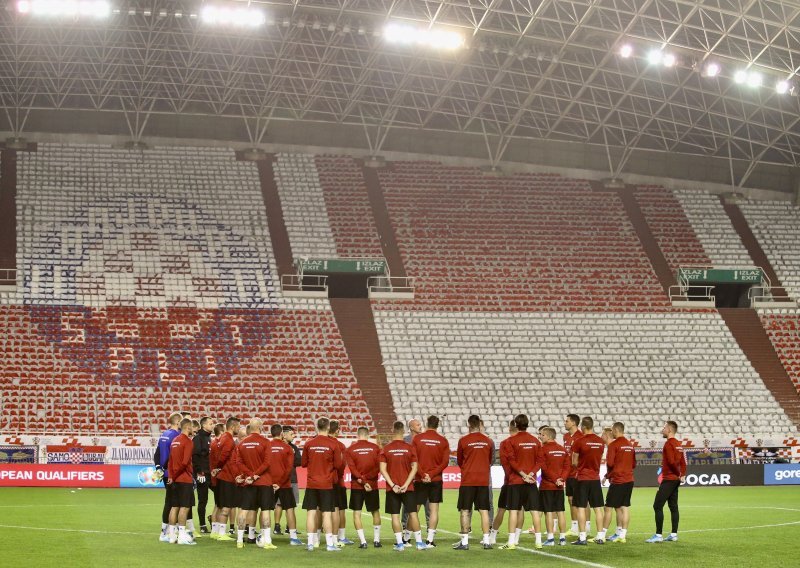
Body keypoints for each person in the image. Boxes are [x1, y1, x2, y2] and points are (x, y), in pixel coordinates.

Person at [380, 420, 428, 551]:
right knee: (413, 514)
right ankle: (419, 543)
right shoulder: (410, 448)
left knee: (395, 516)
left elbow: (382, 469)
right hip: (409, 488)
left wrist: (393, 485)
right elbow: (415, 467)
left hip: (392, 488)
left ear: (392, 430)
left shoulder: (386, 448)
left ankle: (400, 544)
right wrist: (406, 484)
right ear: (404, 431)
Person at [499, 413, 542, 550]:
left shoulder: (511, 441)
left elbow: (511, 461)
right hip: (531, 482)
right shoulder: (535, 440)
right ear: (527, 424)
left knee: (513, 511)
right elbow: (540, 461)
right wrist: (531, 474)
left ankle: (511, 542)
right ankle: (538, 542)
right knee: (535, 511)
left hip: (515, 481)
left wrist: (523, 474)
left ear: (516, 425)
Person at [232, 418, 276, 549]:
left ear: (250, 427)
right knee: (266, 511)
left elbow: (239, 463)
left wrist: (249, 475)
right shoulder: (266, 442)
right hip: (264, 481)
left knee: (244, 510)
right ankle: (267, 541)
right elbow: (267, 463)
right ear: (261, 427)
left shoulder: (242, 443)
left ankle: (239, 540)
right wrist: (255, 475)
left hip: (249, 483)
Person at [302, 417, 344, 552]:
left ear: (317, 427)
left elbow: (303, 463)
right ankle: (330, 544)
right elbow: (338, 465)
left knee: (311, 513)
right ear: (328, 428)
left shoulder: (309, 443)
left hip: (311, 483)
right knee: (327, 514)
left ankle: (310, 543)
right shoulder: (333, 444)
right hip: (326, 483)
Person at [454, 414, 493, 550]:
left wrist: (467, 468)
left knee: (465, 510)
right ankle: (487, 541)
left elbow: (459, 460)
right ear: (479, 424)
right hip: (483, 480)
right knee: (484, 511)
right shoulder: (488, 441)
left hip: (468, 480)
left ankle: (464, 543)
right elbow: (491, 460)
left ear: (469, 425)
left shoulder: (463, 440)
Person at [412, 415, 450, 547]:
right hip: (436, 479)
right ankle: (430, 540)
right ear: (437, 425)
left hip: (420, 478)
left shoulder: (417, 438)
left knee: (414, 509)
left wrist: (423, 474)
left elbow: (414, 459)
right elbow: (445, 462)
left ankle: (409, 538)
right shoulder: (443, 441)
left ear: (427, 423)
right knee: (434, 510)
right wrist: (432, 474)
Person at [646, 421, 686, 543]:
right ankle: (673, 534)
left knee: (657, 506)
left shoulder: (669, 444)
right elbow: (683, 462)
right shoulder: (678, 444)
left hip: (669, 479)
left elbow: (671, 462)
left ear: (669, 429)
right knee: (673, 507)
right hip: (675, 480)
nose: (662, 430)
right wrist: (682, 474)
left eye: (664, 428)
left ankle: (658, 535)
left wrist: (678, 474)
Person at [570, 416, 606, 545]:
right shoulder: (600, 442)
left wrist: (581, 466)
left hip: (582, 478)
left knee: (581, 507)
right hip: (595, 478)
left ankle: (582, 537)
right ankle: (601, 536)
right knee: (598, 508)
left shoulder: (579, 441)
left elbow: (574, 462)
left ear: (583, 427)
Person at [345, 426, 383, 549]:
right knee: (375, 511)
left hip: (357, 485)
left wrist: (362, 480)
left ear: (357, 435)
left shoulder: (350, 449)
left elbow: (352, 469)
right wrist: (368, 480)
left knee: (357, 513)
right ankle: (377, 541)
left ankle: (363, 542)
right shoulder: (376, 448)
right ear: (367, 435)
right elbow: (378, 467)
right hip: (372, 485)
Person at [270, 423, 302, 545]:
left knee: (266, 508)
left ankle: (265, 535)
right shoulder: (289, 448)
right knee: (289, 508)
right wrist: (280, 482)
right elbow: (290, 467)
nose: (293, 436)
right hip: (286, 482)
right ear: (283, 433)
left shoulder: (268, 445)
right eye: (292, 434)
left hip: (271, 482)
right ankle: (293, 537)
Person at [166, 418, 197, 545]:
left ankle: (172, 536)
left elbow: (170, 461)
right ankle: (182, 536)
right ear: (188, 427)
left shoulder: (174, 441)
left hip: (174, 479)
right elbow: (185, 462)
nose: (193, 429)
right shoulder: (188, 442)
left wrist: (171, 476)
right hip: (184, 478)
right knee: (184, 507)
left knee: (174, 507)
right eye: (192, 427)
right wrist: (176, 475)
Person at [604, 422, 636, 543]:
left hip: (618, 480)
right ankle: (621, 535)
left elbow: (610, 463)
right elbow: (633, 464)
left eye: (612, 430)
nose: (611, 433)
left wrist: (608, 475)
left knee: (608, 507)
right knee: (624, 507)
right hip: (629, 479)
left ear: (616, 430)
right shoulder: (630, 445)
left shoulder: (614, 445)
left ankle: (601, 534)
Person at [538, 427, 570, 546]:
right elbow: (567, 467)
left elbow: (544, 468)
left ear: (548, 436)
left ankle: (550, 538)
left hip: (547, 486)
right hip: (559, 486)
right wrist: (562, 479)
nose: (539, 436)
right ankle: (562, 539)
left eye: (541, 435)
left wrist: (555, 479)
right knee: (560, 511)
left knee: (549, 512)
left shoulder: (543, 449)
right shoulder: (562, 450)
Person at [210, 416, 240, 541]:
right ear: (232, 427)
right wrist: (218, 467)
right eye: (238, 426)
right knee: (226, 506)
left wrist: (217, 468)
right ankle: (222, 533)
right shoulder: (228, 439)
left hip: (222, 476)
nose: (239, 428)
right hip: (227, 476)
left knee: (221, 505)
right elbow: (224, 456)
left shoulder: (222, 438)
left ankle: (216, 531)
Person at [488, 419, 517, 545]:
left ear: (510, 428)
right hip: (523, 482)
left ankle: (493, 536)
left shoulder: (506, 443)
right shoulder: (528, 441)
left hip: (510, 482)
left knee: (501, 509)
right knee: (518, 510)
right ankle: (516, 538)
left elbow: (505, 463)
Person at [155, 411, 182, 542]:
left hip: (165, 473)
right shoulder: (176, 436)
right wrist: (165, 467)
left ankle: (166, 531)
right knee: (174, 503)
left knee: (169, 502)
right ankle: (167, 532)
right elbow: (173, 456)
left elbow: (157, 454)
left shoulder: (164, 435)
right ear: (177, 422)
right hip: (172, 473)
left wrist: (159, 468)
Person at [401, 418, 427, 541]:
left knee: (426, 504)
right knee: (407, 505)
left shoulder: (423, 438)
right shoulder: (405, 440)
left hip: (420, 475)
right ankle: (404, 527)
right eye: (417, 425)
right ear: (411, 427)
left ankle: (428, 530)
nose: (420, 426)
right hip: (408, 476)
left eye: (420, 424)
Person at [328, 420, 353, 546]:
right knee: (340, 509)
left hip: (323, 481)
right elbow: (342, 464)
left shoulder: (322, 442)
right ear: (337, 430)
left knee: (319, 509)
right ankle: (340, 537)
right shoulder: (341, 445)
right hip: (338, 481)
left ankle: (316, 537)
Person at [563, 413, 588, 536]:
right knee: (570, 499)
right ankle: (574, 527)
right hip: (568, 473)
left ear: (573, 423)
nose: (565, 423)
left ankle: (586, 526)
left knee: (582, 501)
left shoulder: (581, 436)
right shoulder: (566, 436)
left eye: (566, 421)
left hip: (578, 473)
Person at [192, 416, 213, 535]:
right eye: (210, 423)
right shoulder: (198, 438)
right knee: (203, 500)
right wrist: (199, 472)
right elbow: (195, 456)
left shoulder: (209, 438)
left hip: (210, 473)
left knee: (221, 496)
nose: (212, 425)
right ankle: (202, 524)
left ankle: (213, 519)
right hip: (203, 474)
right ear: (204, 425)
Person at [207, 423, 224, 532]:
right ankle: (215, 530)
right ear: (221, 432)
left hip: (214, 477)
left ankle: (215, 530)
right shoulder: (217, 444)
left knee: (218, 504)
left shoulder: (213, 443)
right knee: (219, 505)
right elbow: (219, 461)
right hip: (217, 478)